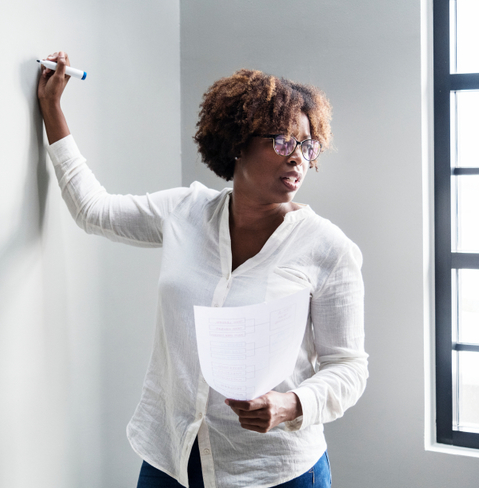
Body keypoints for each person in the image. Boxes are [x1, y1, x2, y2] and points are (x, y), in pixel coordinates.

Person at [37, 51, 367, 488]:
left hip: (274, 471)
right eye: (283, 141)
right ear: (238, 142)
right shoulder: (185, 211)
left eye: (308, 146)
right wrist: (52, 110)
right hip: (170, 458)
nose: (298, 158)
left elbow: (348, 367)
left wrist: (290, 404)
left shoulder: (328, 248)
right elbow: (93, 211)